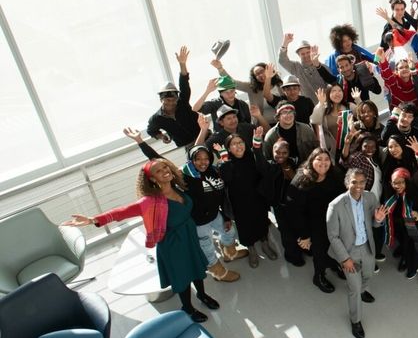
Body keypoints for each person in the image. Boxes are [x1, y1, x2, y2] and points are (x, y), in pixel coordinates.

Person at [63, 157, 218, 323]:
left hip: (189, 236)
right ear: (152, 179)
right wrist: (92, 219)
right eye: (158, 171)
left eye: (165, 167)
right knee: (182, 275)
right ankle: (187, 307)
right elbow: (121, 212)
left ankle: (202, 295)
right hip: (173, 244)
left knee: (196, 266)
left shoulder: (178, 186)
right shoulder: (150, 202)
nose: (165, 171)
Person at [126, 124, 244, 283]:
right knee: (207, 248)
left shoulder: (215, 171)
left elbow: (220, 194)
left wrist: (226, 216)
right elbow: (158, 160)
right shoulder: (184, 177)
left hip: (216, 215)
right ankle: (218, 271)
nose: (203, 162)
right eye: (198, 159)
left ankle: (230, 252)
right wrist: (140, 141)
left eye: (206, 159)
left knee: (229, 232)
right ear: (192, 160)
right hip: (198, 222)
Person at [326, 168, 389, 338]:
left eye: (362, 182)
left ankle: (363, 290)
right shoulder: (336, 206)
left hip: (367, 247)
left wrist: (378, 220)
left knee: (368, 275)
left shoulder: (370, 198)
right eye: (354, 182)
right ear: (347, 183)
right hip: (348, 252)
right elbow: (333, 236)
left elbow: (374, 225)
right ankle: (356, 320)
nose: (358, 186)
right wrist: (345, 259)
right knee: (353, 288)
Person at [214, 129, 278, 268]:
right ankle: (252, 250)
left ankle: (265, 244)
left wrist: (257, 147)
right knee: (245, 228)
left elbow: (264, 169)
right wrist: (224, 159)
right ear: (229, 148)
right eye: (234, 144)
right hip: (239, 204)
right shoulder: (224, 163)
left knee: (262, 222)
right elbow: (227, 177)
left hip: (257, 198)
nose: (238, 146)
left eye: (240, 142)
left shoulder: (252, 156)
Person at [289, 148, 345, 294]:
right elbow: (295, 212)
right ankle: (319, 276)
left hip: (333, 219)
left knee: (335, 246)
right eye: (318, 159)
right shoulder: (301, 180)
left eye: (326, 159)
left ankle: (333, 264)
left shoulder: (335, 175)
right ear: (311, 161)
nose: (323, 163)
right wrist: (304, 236)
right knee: (319, 251)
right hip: (312, 224)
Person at [146, 46, 201, 147]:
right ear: (161, 99)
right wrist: (161, 136)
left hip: (204, 137)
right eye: (167, 100)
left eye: (173, 99)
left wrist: (182, 64)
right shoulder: (157, 118)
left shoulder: (182, 102)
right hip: (187, 146)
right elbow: (151, 130)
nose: (171, 103)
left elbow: (184, 84)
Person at [278, 33, 338, 97]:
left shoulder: (323, 67)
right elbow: (282, 61)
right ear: (298, 55)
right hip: (308, 105)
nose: (306, 55)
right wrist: (285, 44)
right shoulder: (296, 67)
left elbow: (333, 85)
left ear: (312, 51)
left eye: (308, 52)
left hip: (326, 104)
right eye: (302, 54)